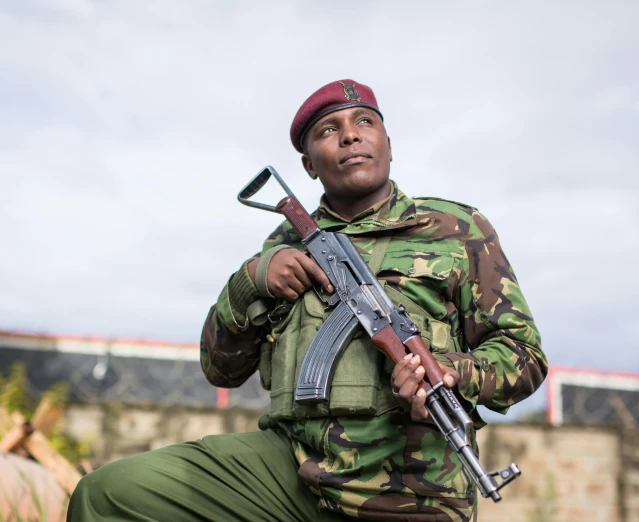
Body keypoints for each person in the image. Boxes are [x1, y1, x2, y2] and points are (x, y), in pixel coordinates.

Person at [67, 80, 548, 522]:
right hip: (289, 471)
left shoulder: (457, 229)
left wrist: (449, 372)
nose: (350, 137)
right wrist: (250, 282)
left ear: (389, 145)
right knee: (107, 494)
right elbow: (220, 369)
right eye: (328, 130)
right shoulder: (283, 244)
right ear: (307, 165)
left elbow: (524, 358)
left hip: (413, 489)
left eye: (365, 122)